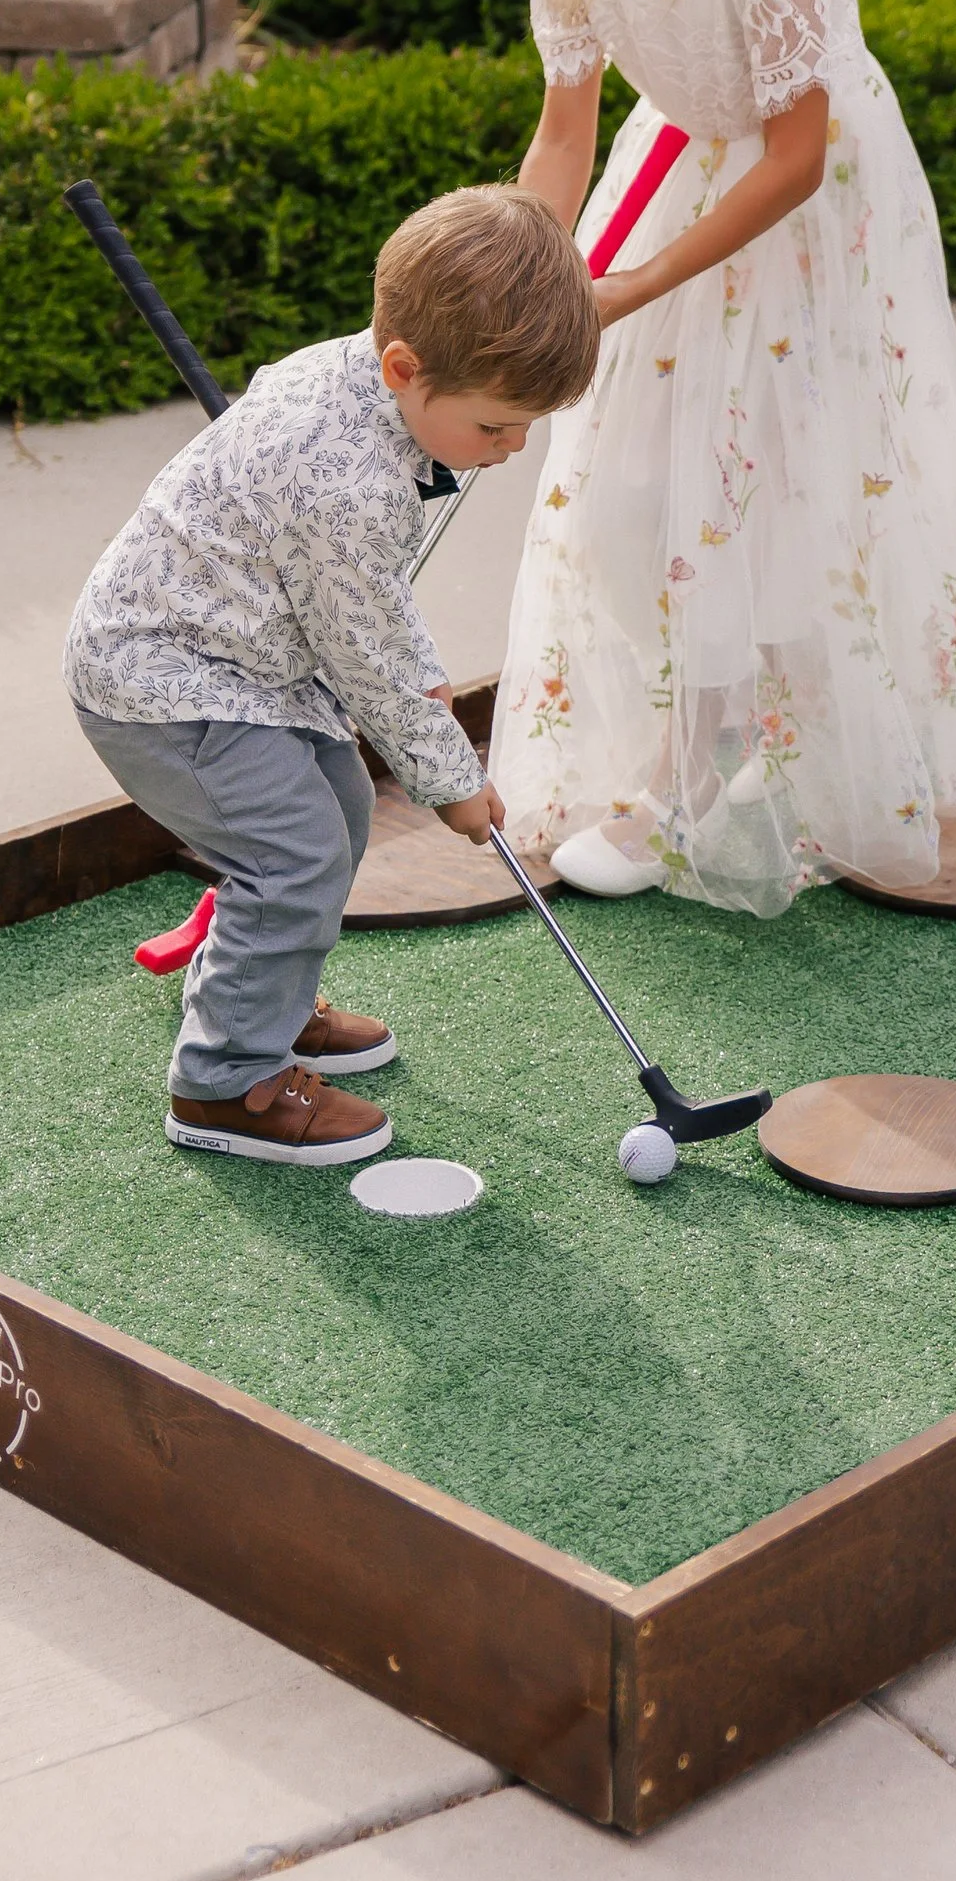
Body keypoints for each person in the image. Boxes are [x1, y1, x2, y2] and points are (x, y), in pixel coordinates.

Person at [491, 0, 956, 917]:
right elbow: (564, 131)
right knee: (625, 489)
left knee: (772, 486)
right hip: (669, 177)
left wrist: (640, 279)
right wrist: (529, 265)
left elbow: (795, 154)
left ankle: (688, 775)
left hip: (805, 212)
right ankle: (692, 738)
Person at [67, 184, 600, 1164]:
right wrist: (452, 779)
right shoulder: (345, 484)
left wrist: (421, 689)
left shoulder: (359, 379)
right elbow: (367, 652)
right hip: (167, 686)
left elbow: (371, 613)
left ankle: (257, 997)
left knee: (340, 809)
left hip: (251, 660)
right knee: (296, 852)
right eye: (495, 428)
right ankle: (224, 1085)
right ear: (404, 367)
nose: (511, 449)